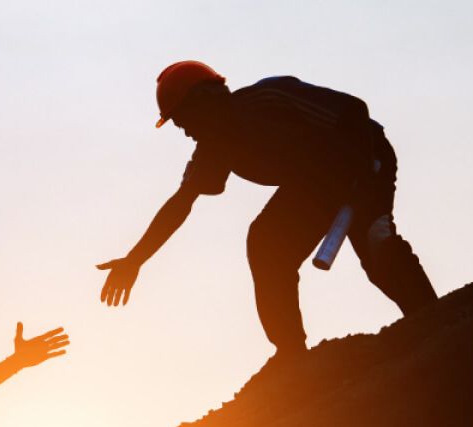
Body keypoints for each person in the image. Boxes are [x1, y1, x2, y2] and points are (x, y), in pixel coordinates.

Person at [98, 61, 437, 361]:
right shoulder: (213, 149)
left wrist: (361, 172)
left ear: (206, 100)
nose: (184, 130)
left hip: (364, 158)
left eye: (184, 119)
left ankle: (435, 321)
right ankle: (290, 353)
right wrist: (135, 260)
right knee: (266, 243)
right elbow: (180, 203)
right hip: (314, 183)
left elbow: (353, 111)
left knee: (376, 244)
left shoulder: (270, 98)